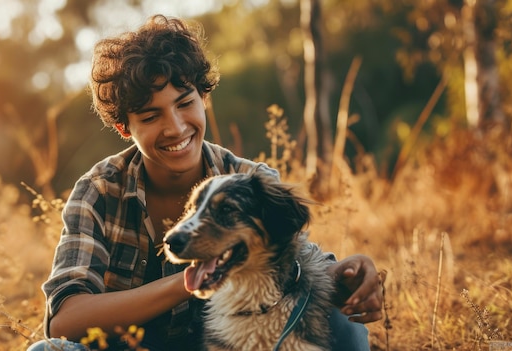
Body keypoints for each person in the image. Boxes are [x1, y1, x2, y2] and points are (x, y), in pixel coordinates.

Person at [28, 14, 383, 351]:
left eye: (185, 103)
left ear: (204, 97)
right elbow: (65, 321)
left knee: (343, 322)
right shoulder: (98, 192)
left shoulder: (249, 181)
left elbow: (292, 260)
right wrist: (193, 279)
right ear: (124, 128)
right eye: (151, 116)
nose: (176, 127)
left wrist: (352, 273)